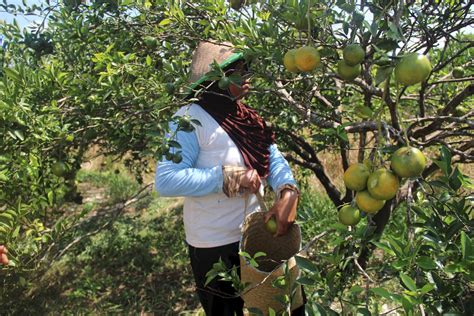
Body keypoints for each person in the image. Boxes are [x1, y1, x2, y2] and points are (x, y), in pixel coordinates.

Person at [155, 41, 304, 315]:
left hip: (257, 239)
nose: (248, 77)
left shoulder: (247, 117)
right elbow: (166, 179)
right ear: (216, 79)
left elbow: (273, 158)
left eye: (247, 70)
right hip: (215, 245)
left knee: (281, 305)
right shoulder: (187, 119)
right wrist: (228, 178)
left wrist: (287, 190)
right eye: (238, 72)